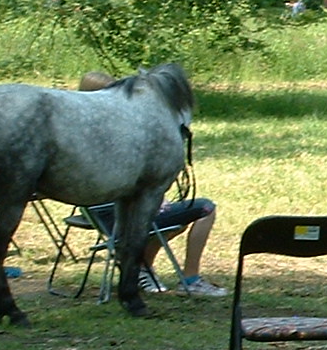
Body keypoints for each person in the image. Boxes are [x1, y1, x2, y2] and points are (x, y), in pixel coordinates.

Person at [77, 71, 228, 297]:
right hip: (123, 218)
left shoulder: (80, 135)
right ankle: (191, 278)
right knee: (204, 209)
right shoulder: (113, 138)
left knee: (177, 219)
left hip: (97, 215)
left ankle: (142, 268)